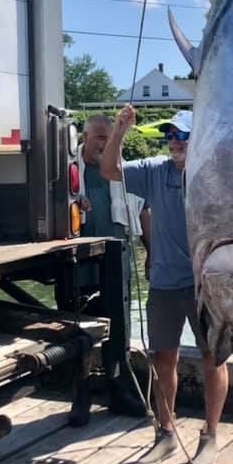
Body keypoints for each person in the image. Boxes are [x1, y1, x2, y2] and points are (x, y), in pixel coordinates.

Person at [101, 107, 229, 464]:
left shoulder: (213, 172)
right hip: (164, 281)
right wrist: (120, 131)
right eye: (171, 134)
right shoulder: (155, 169)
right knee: (162, 359)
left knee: (213, 359)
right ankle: (166, 432)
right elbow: (110, 170)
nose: (175, 140)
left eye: (183, 135)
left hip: (208, 283)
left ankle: (210, 436)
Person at [70, 113, 148, 416]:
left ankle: (118, 392)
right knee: (80, 329)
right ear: (85, 138)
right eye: (100, 137)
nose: (105, 142)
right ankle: (81, 396)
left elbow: (144, 212)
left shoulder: (122, 170)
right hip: (80, 265)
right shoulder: (68, 171)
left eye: (109, 137)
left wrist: (151, 253)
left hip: (119, 262)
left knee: (120, 328)